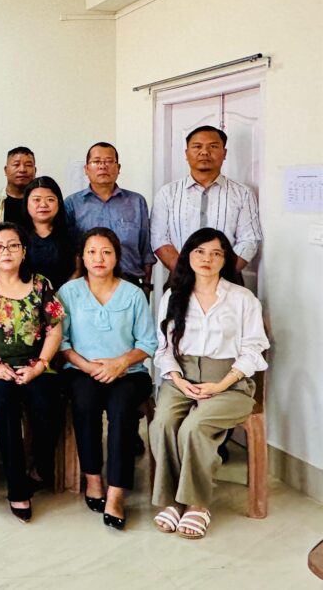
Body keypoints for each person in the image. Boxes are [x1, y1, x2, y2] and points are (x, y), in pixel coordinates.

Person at [149, 228, 269, 540]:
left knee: (194, 426)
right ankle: (172, 500)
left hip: (231, 381)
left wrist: (221, 385)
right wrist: (177, 379)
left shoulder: (242, 299)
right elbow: (163, 349)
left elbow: (253, 350)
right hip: (181, 376)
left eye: (216, 253)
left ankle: (197, 504)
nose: (207, 259)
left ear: (225, 259)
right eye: (200, 251)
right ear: (188, 256)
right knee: (162, 422)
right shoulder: (173, 296)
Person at [58, 228, 157, 530]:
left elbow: (148, 343)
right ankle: (93, 480)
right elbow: (62, 342)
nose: (98, 258)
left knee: (121, 410)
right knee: (85, 403)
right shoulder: (69, 292)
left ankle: (116, 492)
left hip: (129, 373)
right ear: (82, 257)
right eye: (92, 252)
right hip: (81, 370)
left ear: (116, 257)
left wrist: (120, 362)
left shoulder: (133, 293)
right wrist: (88, 367)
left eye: (106, 252)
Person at [0, 223, 64, 523]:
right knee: (5, 405)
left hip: (34, 366)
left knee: (49, 401)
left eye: (12, 245)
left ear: (24, 251)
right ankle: (17, 489)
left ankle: (39, 468)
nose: (6, 251)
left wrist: (40, 365)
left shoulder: (40, 285)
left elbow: (54, 329)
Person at [151, 126, 263, 275]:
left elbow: (249, 240)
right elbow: (159, 238)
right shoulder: (167, 193)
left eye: (213, 146)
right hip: (180, 278)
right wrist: (185, 274)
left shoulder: (243, 194)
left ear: (224, 153)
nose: (204, 152)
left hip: (227, 278)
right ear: (186, 153)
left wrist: (220, 274)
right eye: (197, 146)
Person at [64, 142, 155, 288]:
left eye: (109, 161)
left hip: (129, 283)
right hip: (86, 285)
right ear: (86, 169)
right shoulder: (72, 204)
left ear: (118, 168)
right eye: (96, 161)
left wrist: (146, 287)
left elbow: (146, 251)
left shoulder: (136, 202)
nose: (103, 166)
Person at [21, 176, 76, 290]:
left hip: (64, 296)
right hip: (26, 296)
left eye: (50, 199)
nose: (43, 205)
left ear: (59, 203)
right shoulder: (17, 235)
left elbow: (77, 270)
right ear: (26, 203)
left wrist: (61, 295)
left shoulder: (72, 234)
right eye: (36, 200)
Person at [0, 146, 36, 225]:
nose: (22, 170)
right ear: (5, 170)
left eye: (28, 165)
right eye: (16, 165)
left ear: (35, 170)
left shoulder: (43, 202)